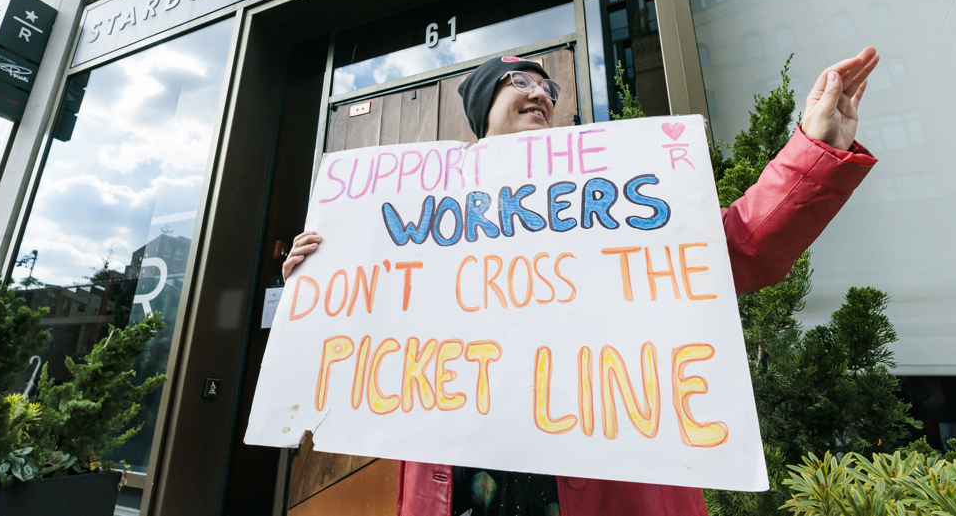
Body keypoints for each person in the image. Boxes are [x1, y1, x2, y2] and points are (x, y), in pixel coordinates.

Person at [282, 47, 880, 516]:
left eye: (548, 87)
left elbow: (738, 248)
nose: (539, 92)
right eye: (519, 82)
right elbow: (361, 338)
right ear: (482, 108)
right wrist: (314, 292)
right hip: (461, 484)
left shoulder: (604, 200)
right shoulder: (425, 211)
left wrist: (816, 148)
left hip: (603, 483)